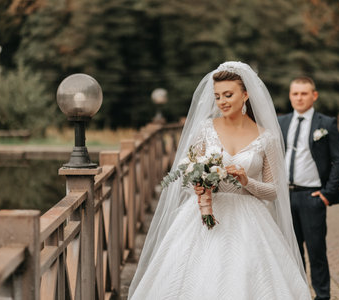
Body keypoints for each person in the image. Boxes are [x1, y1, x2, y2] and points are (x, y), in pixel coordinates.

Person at [129, 62, 312, 299]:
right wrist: (198, 184)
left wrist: (247, 181)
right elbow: (185, 173)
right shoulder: (205, 129)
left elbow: (274, 191)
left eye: (228, 95)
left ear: (245, 95)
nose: (222, 101)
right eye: (217, 96)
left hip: (249, 219)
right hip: (202, 218)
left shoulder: (267, 138)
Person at [278, 77, 339, 300]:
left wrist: (327, 194)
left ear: (314, 95)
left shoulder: (326, 124)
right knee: (292, 252)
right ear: (290, 96)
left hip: (312, 196)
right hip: (286, 196)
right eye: (295, 93)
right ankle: (298, 294)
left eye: (304, 93)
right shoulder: (282, 122)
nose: (299, 98)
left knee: (316, 251)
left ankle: (322, 296)